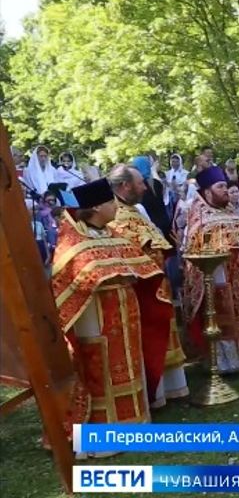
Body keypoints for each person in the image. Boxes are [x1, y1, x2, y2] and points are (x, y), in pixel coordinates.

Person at [50, 178, 163, 458]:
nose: (116, 206)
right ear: (97, 207)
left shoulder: (113, 233)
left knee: (129, 364)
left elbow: (139, 263)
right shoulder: (72, 240)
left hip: (125, 309)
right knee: (100, 368)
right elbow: (70, 280)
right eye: (112, 202)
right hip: (95, 315)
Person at [107, 165, 189, 407]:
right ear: (124, 186)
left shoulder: (134, 211)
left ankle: (170, 388)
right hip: (142, 290)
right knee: (149, 337)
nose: (145, 187)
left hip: (157, 283)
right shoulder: (116, 217)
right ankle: (154, 392)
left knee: (162, 332)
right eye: (140, 182)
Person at [182, 166, 239, 373]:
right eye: (220, 186)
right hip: (220, 277)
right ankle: (226, 362)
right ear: (207, 191)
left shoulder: (233, 213)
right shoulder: (199, 218)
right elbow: (195, 253)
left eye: (225, 185)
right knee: (224, 316)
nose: (224, 190)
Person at [133, 156, 174, 246]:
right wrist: (154, 170)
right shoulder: (155, 183)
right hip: (164, 223)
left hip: (150, 226)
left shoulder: (136, 187)